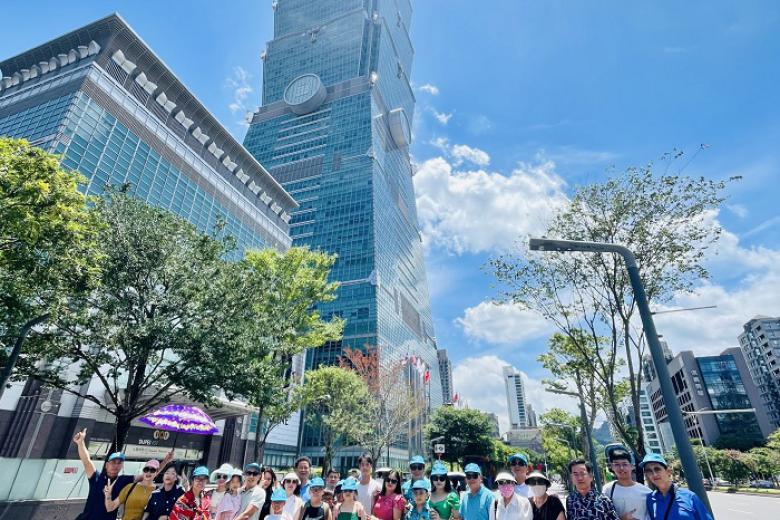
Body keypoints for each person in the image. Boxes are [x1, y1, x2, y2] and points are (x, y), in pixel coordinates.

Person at [72, 428, 172, 520]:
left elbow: (149, 475)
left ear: (122, 466)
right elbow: (86, 460)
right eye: (113, 462)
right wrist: (80, 443)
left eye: (119, 463)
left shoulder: (123, 480)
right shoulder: (96, 477)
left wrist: (165, 461)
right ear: (106, 465)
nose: (116, 465)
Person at [641, 454, 713, 520]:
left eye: (657, 469)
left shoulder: (689, 496)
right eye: (649, 471)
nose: (654, 474)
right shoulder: (650, 499)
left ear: (668, 471)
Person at [602, 448, 650, 520]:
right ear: (612, 467)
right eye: (616, 464)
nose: (621, 468)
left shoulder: (646, 491)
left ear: (632, 466)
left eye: (625, 464)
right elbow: (603, 515)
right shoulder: (608, 489)